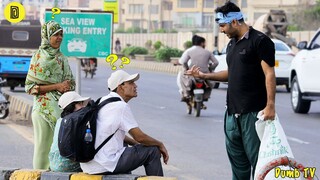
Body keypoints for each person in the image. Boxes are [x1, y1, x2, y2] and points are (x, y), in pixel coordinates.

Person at [186, 2, 276, 180]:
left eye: (222, 25)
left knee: (259, 164)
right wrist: (205, 76)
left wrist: (270, 105)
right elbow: (232, 72)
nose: (221, 30)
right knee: (238, 165)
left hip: (253, 113)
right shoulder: (231, 45)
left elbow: (269, 73)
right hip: (232, 114)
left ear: (234, 22)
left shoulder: (260, 41)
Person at [80, 70, 169, 176]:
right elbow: (140, 137)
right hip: (105, 164)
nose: (135, 86)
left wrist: (137, 145)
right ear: (120, 87)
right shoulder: (120, 106)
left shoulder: (102, 101)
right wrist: (160, 144)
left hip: (89, 164)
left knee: (125, 146)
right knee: (152, 151)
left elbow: (109, 132)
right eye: (131, 83)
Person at [25, 20, 75, 170]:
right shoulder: (38, 57)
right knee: (42, 148)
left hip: (60, 111)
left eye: (61, 35)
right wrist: (57, 86)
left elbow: (71, 82)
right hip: (43, 111)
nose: (59, 38)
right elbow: (30, 87)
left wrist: (67, 86)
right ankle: (38, 176)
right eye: (55, 35)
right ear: (47, 36)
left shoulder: (62, 58)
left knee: (56, 150)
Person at [49, 91, 90, 172]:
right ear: (71, 106)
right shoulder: (74, 121)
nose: (82, 107)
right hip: (67, 165)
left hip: (54, 163)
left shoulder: (60, 120)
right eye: (80, 104)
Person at [178, 35, 219, 103]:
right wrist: (210, 69)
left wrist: (187, 69)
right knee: (211, 81)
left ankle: (186, 94)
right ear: (202, 43)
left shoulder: (189, 51)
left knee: (182, 74)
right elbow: (216, 62)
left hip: (192, 73)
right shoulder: (208, 52)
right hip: (205, 73)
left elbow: (184, 62)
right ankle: (206, 96)